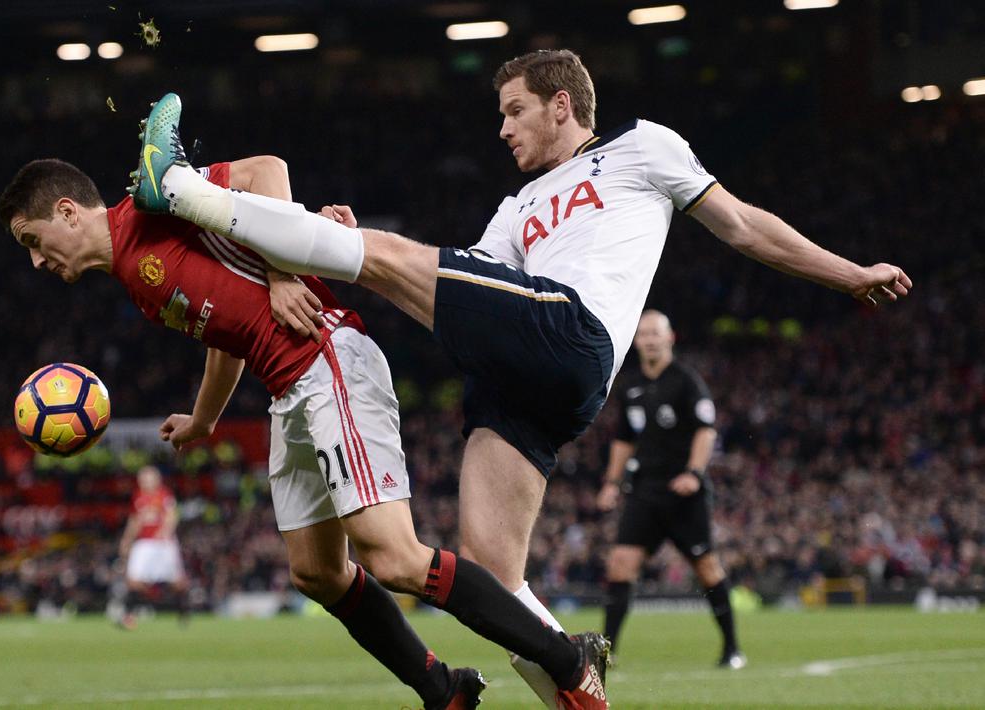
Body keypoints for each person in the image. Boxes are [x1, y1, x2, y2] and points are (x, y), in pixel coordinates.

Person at [129, 50, 910, 706]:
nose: (501, 129)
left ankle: (182, 187)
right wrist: (337, 242)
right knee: (493, 578)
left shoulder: (643, 146)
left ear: (560, 105)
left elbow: (741, 225)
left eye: (513, 111)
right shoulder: (519, 205)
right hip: (529, 376)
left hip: (569, 331)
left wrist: (848, 274)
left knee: (389, 258)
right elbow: (467, 283)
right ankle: (581, 693)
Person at [0, 152, 610, 710]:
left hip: (326, 356)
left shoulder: (151, 206)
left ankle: (567, 660)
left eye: (32, 240)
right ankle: (444, 690)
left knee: (392, 556)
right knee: (316, 573)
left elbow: (266, 170)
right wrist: (204, 419)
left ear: (67, 212)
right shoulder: (136, 281)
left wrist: (284, 270)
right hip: (287, 387)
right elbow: (225, 336)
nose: (36, 261)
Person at [596, 310, 744, 668]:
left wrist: (693, 472)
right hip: (645, 490)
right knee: (620, 565)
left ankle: (732, 649)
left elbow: (706, 430)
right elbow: (624, 440)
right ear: (636, 341)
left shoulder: (686, 381)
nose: (649, 340)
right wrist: (612, 483)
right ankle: (606, 654)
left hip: (684, 494)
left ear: (669, 337)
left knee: (706, 567)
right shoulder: (630, 386)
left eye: (655, 333)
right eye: (643, 334)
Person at [114, 465, 190, 628]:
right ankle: (129, 617)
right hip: (144, 542)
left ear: (157, 480)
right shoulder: (138, 496)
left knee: (177, 582)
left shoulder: (164, 495)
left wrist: (165, 531)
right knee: (132, 580)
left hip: (164, 543)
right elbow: (135, 520)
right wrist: (127, 539)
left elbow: (172, 515)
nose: (144, 482)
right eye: (142, 479)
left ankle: (183, 612)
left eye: (147, 479)